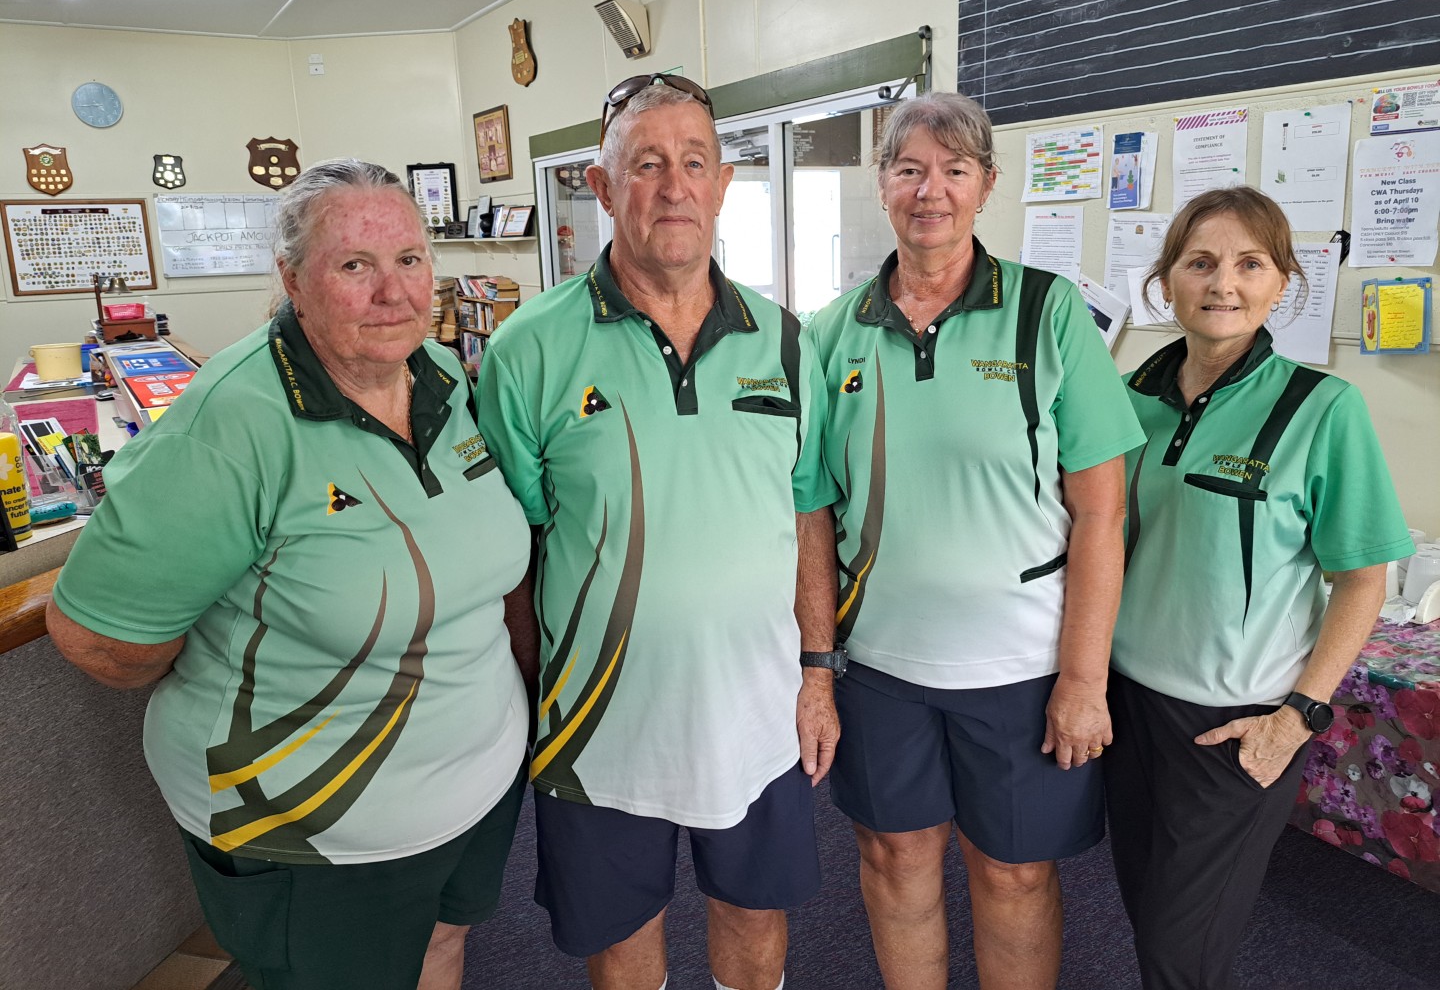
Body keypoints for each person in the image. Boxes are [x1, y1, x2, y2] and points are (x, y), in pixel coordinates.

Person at [46, 159, 537, 990]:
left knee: (444, 947)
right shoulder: (232, 421)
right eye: (355, 265)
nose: (394, 292)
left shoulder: (444, 378)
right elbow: (99, 639)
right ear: (292, 281)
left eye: (410, 260)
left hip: (476, 783)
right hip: (314, 828)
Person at [475, 74, 839, 990]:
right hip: (600, 725)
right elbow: (513, 550)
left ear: (723, 184)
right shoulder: (530, 348)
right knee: (623, 940)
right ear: (601, 188)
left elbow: (807, 514)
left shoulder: (787, 341)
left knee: (756, 928)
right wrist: (531, 695)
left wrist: (818, 674)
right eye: (645, 165)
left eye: (693, 163)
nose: (673, 186)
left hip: (756, 714)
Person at [805, 91, 1144, 990]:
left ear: (987, 184)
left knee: (1014, 872)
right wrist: (817, 664)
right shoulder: (829, 333)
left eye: (954, 170)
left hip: (1022, 670)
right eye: (910, 168)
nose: (931, 191)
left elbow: (1104, 515)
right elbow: (812, 512)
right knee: (894, 863)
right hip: (879, 668)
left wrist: (1083, 678)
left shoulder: (1049, 314)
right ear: (881, 183)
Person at [1106, 186, 1415, 990]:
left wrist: (1297, 717)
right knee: (1147, 914)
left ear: (1283, 283)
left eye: (1250, 264)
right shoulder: (1128, 399)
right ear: (1166, 280)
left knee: (1183, 948)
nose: (1223, 284)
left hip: (1233, 726)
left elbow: (1362, 580)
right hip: (1127, 707)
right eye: (1200, 262)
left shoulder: (1324, 409)